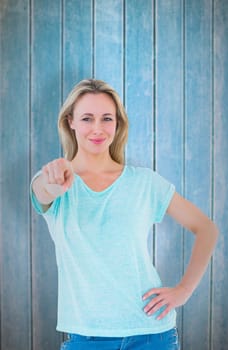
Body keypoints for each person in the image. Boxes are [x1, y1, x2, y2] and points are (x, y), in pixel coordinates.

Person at [30, 79, 218, 350]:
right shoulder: (55, 179)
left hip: (153, 334)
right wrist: (52, 181)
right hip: (87, 338)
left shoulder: (145, 182)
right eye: (87, 118)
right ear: (70, 122)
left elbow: (207, 229)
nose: (97, 128)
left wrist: (184, 291)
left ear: (117, 123)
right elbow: (42, 192)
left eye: (107, 118)